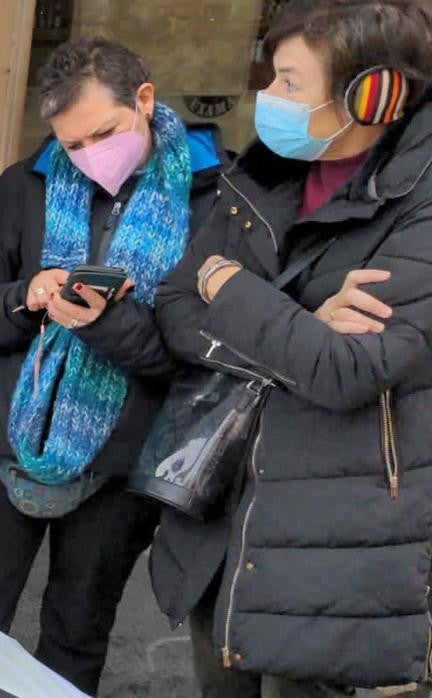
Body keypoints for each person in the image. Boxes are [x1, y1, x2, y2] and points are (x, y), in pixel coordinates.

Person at [152, 0, 432, 694]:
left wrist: (230, 283)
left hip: (328, 538)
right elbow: (176, 306)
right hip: (224, 514)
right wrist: (299, 321)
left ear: (373, 94)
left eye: (288, 83)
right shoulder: (266, 174)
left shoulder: (420, 201)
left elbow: (348, 370)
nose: (267, 99)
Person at [0, 37, 228, 695]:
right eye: (72, 145)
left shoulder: (212, 199)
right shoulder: (26, 184)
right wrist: (27, 296)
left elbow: (193, 357)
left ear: (145, 100)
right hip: (3, 441)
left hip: (122, 458)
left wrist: (104, 321)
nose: (90, 156)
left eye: (103, 133)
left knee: (76, 635)